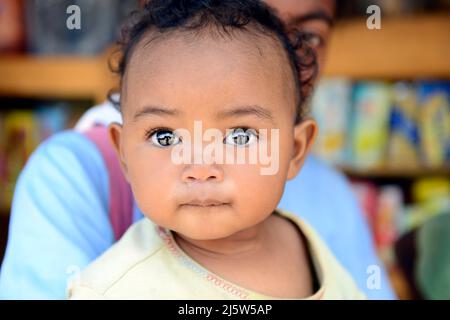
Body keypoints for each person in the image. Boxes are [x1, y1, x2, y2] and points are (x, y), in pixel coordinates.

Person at [0, 0, 395, 299]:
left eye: (240, 134)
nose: (201, 166)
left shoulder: (316, 230)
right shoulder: (112, 277)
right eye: (165, 137)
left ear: (296, 149)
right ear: (124, 153)